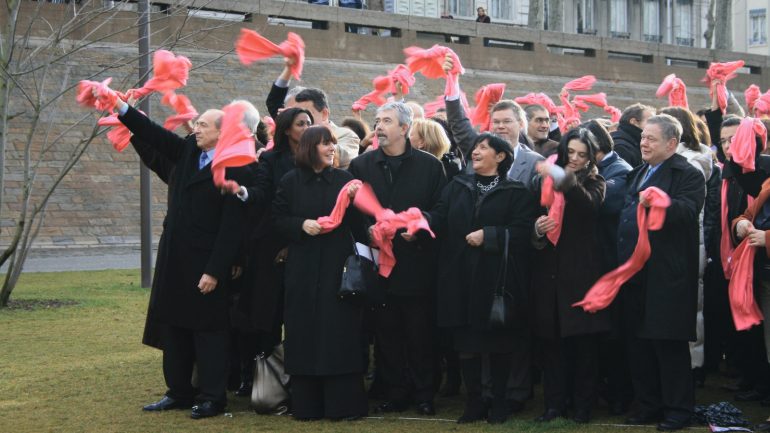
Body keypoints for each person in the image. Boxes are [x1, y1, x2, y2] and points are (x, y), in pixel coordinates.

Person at [108, 95, 251, 419]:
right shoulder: (189, 151)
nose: (196, 129)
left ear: (221, 132)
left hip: (206, 265)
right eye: (196, 123)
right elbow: (154, 134)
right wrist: (120, 108)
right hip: (176, 258)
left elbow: (232, 227)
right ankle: (178, 392)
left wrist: (215, 270)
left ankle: (213, 397)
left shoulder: (235, 166)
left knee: (209, 333)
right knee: (173, 328)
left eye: (203, 125)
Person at [425, 133, 537, 424]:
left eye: (483, 147)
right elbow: (439, 215)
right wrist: (418, 222)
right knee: (466, 344)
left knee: (498, 343)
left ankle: (498, 403)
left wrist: (490, 236)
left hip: (496, 279)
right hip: (459, 277)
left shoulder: (516, 192)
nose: (475, 151)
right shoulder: (457, 186)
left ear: (500, 157)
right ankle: (473, 403)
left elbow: (523, 232)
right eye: (475, 147)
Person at [348, 102, 447, 415]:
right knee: (387, 334)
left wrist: (418, 226)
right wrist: (370, 232)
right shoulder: (361, 165)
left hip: (416, 263)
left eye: (387, 121)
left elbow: (442, 209)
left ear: (405, 128)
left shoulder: (430, 166)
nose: (379, 126)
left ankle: (424, 394)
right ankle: (395, 392)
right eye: (377, 120)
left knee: (419, 334)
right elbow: (351, 211)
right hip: (378, 265)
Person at [271, 125, 368, 420]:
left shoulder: (344, 179)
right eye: (326, 144)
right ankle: (307, 406)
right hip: (302, 267)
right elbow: (276, 219)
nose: (331, 149)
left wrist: (356, 200)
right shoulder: (291, 181)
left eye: (333, 144)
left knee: (338, 332)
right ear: (309, 147)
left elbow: (359, 226)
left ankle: (343, 406)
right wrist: (301, 225)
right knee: (304, 330)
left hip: (337, 269)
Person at [619, 114, 705, 431]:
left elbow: (686, 211)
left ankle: (678, 410)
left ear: (671, 143)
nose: (643, 143)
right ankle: (648, 405)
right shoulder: (639, 172)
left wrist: (659, 202)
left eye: (651, 139)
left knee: (668, 346)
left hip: (667, 275)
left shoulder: (688, 173)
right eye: (642, 137)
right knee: (639, 345)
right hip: (635, 273)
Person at [530, 127, 609, 424]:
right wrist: (537, 229)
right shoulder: (543, 181)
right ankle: (553, 405)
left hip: (581, 276)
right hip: (549, 276)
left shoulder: (595, 181)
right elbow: (531, 216)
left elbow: (589, 207)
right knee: (552, 347)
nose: (574, 159)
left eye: (582, 154)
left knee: (584, 348)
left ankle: (583, 406)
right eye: (570, 153)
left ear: (591, 157)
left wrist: (563, 179)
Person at [229, 108, 314, 376]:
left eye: (310, 123)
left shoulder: (318, 158)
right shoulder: (272, 159)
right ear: (287, 129)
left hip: (305, 243)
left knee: (302, 315)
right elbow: (262, 193)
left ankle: (301, 374)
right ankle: (264, 376)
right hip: (271, 245)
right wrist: (244, 194)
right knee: (268, 315)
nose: (307, 127)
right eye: (301, 124)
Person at [581, 119, 634, 415]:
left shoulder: (620, 172)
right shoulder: (603, 170)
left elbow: (599, 205)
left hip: (611, 264)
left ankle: (619, 394)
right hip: (594, 262)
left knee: (614, 335)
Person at [442, 57, 543, 188]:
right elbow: (458, 122)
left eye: (507, 121)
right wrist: (452, 78)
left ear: (521, 124)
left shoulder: (536, 162)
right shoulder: (476, 148)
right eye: (496, 122)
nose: (500, 126)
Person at [263, 58, 360, 169]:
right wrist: (289, 69)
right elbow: (273, 102)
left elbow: (342, 156)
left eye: (307, 115)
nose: (299, 118)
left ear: (324, 114)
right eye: (293, 114)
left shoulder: (346, 135)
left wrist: (319, 136)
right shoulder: (292, 129)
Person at [612, 103, 656, 169]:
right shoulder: (620, 147)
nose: (655, 126)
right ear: (634, 122)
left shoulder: (635, 142)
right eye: (650, 121)